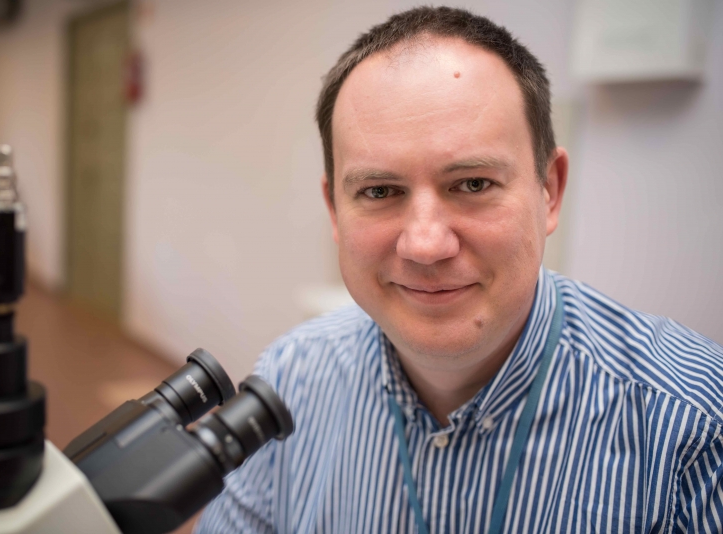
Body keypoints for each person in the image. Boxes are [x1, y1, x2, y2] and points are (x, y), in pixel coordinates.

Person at [198, 6, 723, 533]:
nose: (425, 245)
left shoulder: (696, 428)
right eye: (379, 191)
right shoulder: (289, 379)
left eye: (472, 184)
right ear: (335, 209)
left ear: (550, 190)